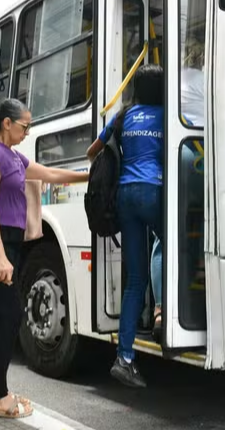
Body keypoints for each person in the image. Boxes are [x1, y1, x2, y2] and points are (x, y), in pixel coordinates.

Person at [0, 98, 88, 418]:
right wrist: (0, 257)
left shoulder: (13, 156)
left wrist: (88, 176)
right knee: (8, 314)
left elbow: (47, 173)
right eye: (24, 126)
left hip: (6, 242)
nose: (27, 132)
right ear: (7, 123)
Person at [86, 64, 165, 388]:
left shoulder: (123, 116)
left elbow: (93, 151)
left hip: (125, 198)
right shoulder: (166, 114)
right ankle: (161, 312)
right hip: (154, 192)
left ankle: (125, 358)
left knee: (134, 281)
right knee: (172, 247)